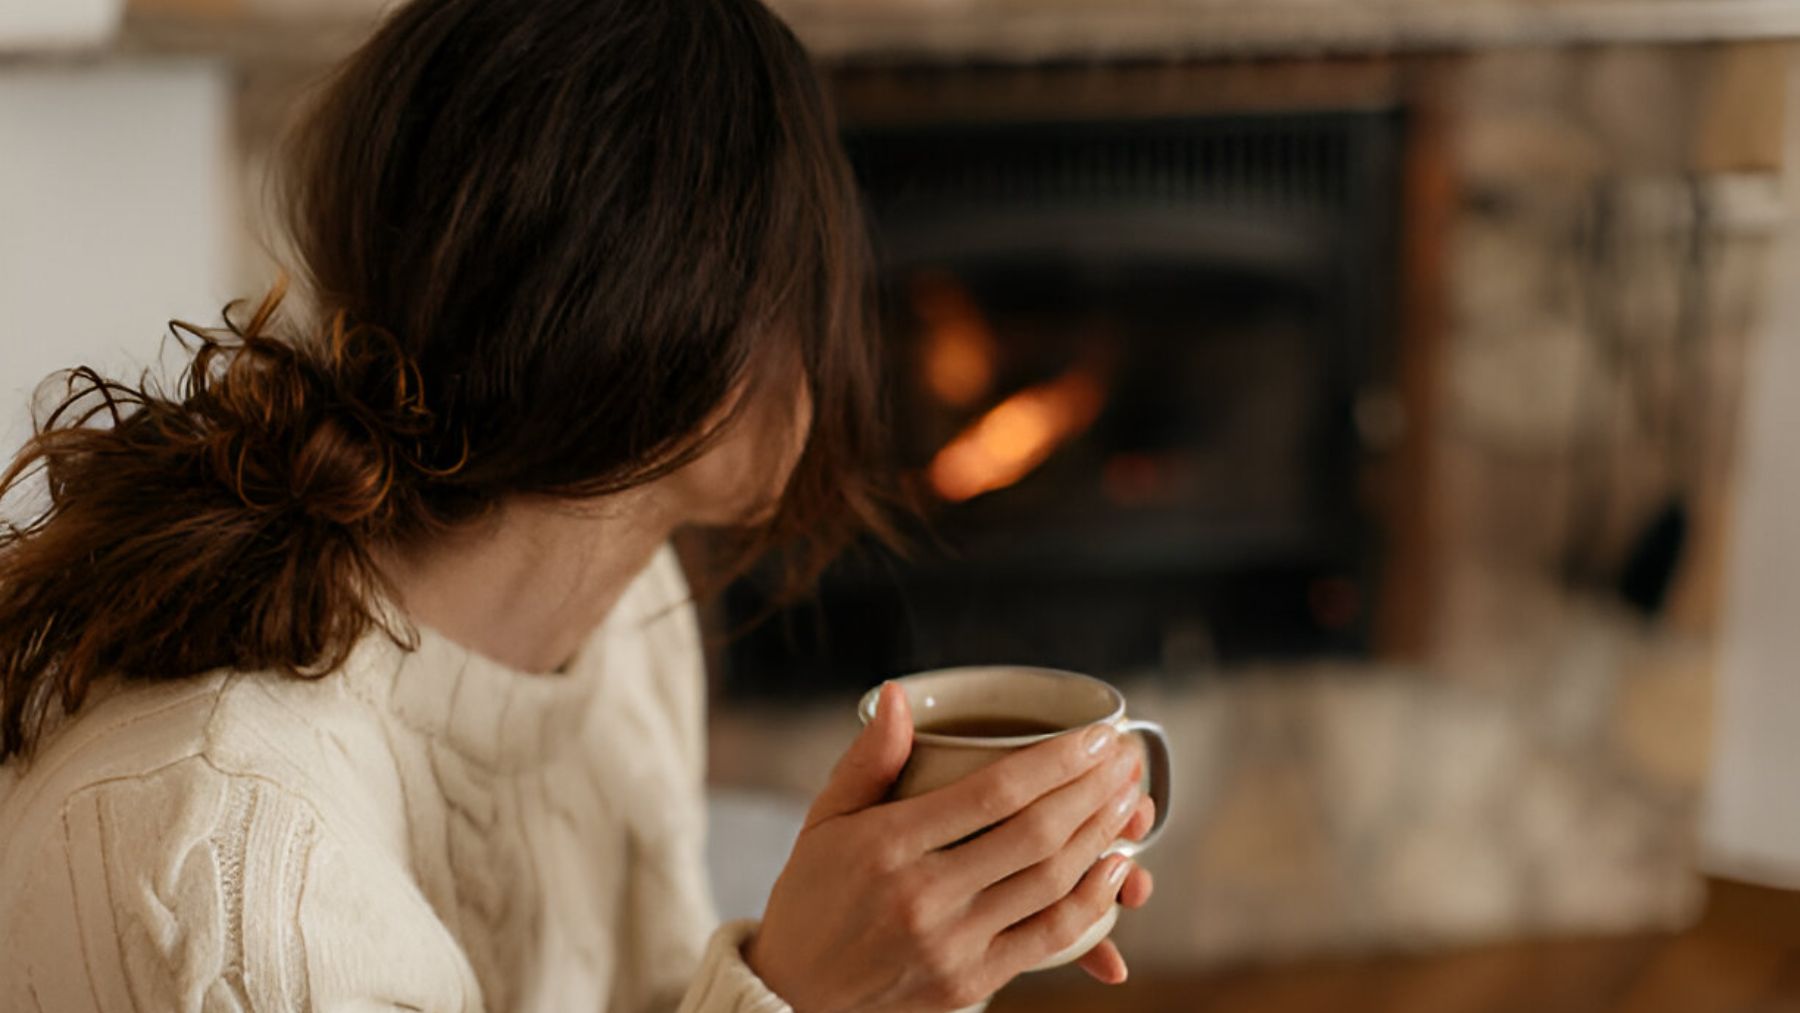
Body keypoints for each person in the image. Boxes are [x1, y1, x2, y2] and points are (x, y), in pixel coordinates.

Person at [0, 0, 1155, 1010]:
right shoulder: (238, 871)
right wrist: (803, 991)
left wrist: (893, 972)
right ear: (681, 345)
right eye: (806, 284)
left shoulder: (621, 621)